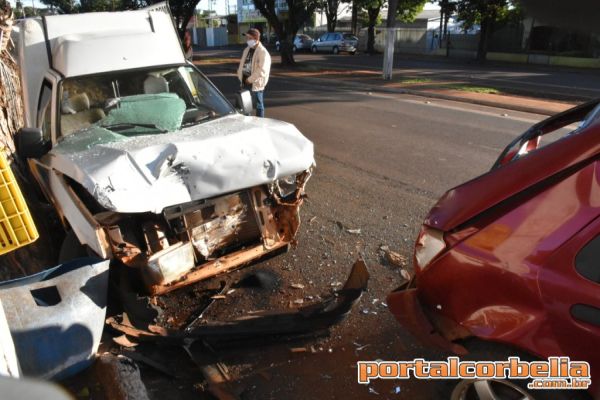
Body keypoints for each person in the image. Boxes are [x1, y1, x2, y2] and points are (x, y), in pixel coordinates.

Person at [237, 28, 271, 117]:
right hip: (245, 81)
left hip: (255, 83)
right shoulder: (247, 49)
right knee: (246, 104)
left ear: (256, 39)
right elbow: (243, 63)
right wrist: (240, 74)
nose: (247, 40)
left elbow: (262, 70)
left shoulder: (263, 52)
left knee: (258, 105)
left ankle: (260, 122)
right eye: (247, 38)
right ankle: (248, 122)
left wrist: (250, 80)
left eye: (249, 38)